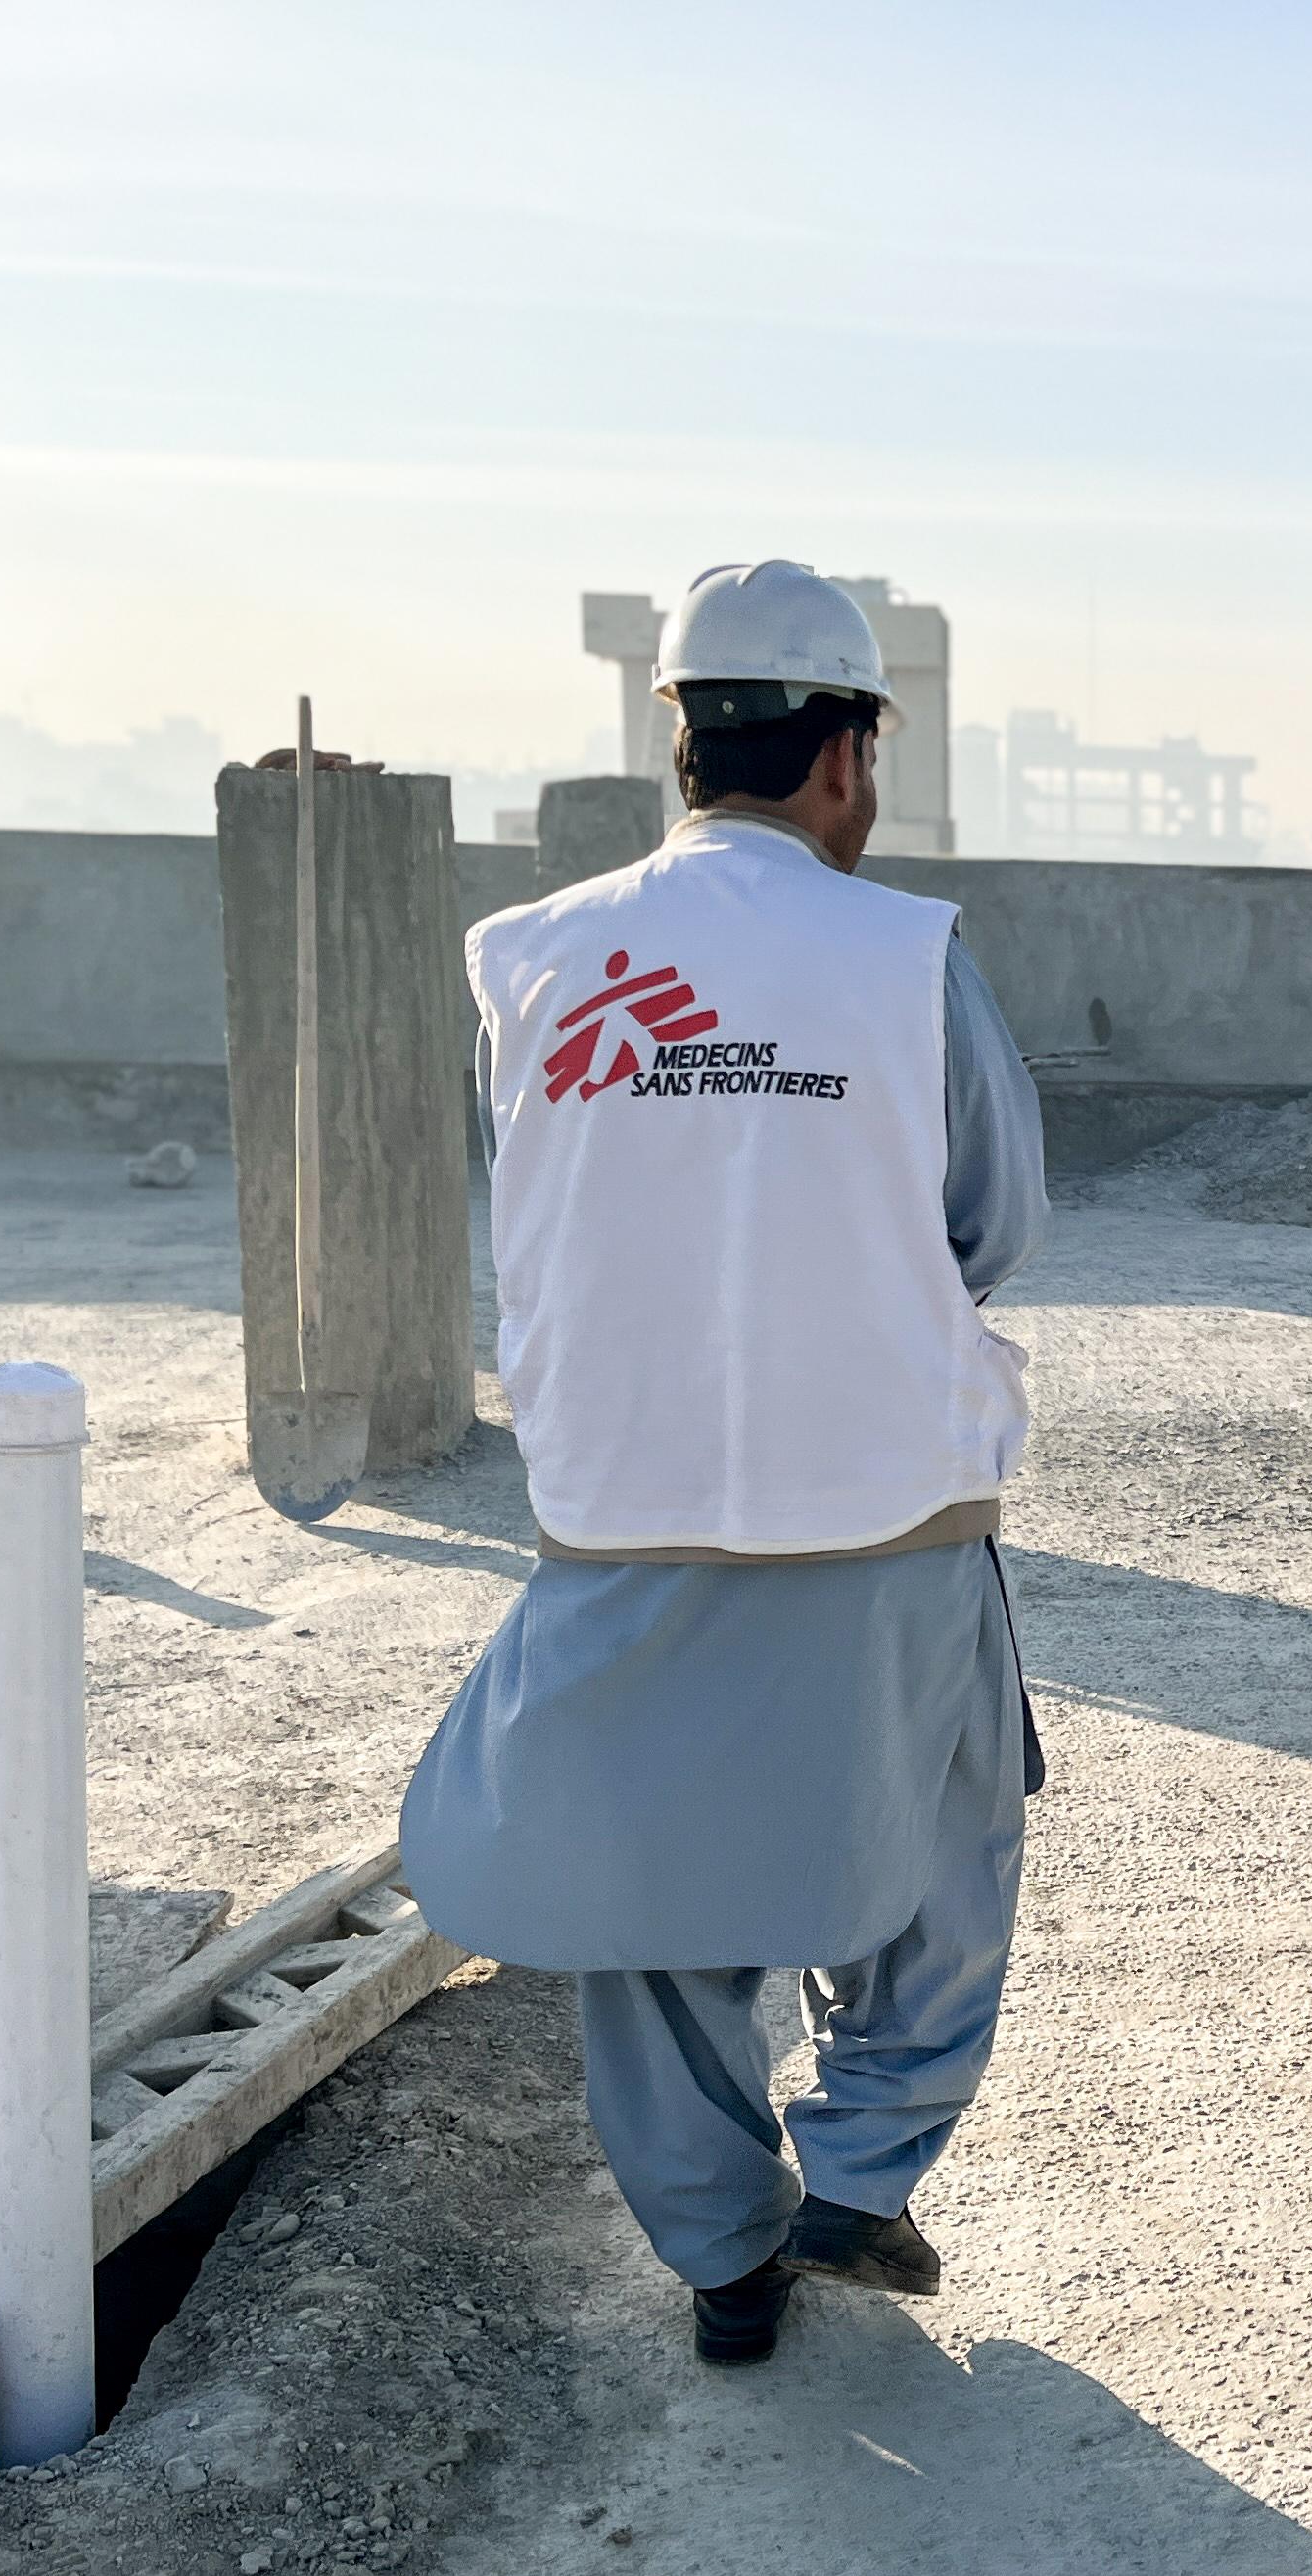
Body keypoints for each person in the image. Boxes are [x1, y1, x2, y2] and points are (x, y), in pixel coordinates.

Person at [402, 560, 1047, 2368]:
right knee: (945, 1841)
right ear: (845, 753)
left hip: (620, 1514)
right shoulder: (907, 959)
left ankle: (720, 2256)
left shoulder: (535, 959)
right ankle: (856, 2172)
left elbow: (556, 1198)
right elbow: (992, 1226)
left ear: (678, 739)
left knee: (653, 1896)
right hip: (884, 1508)